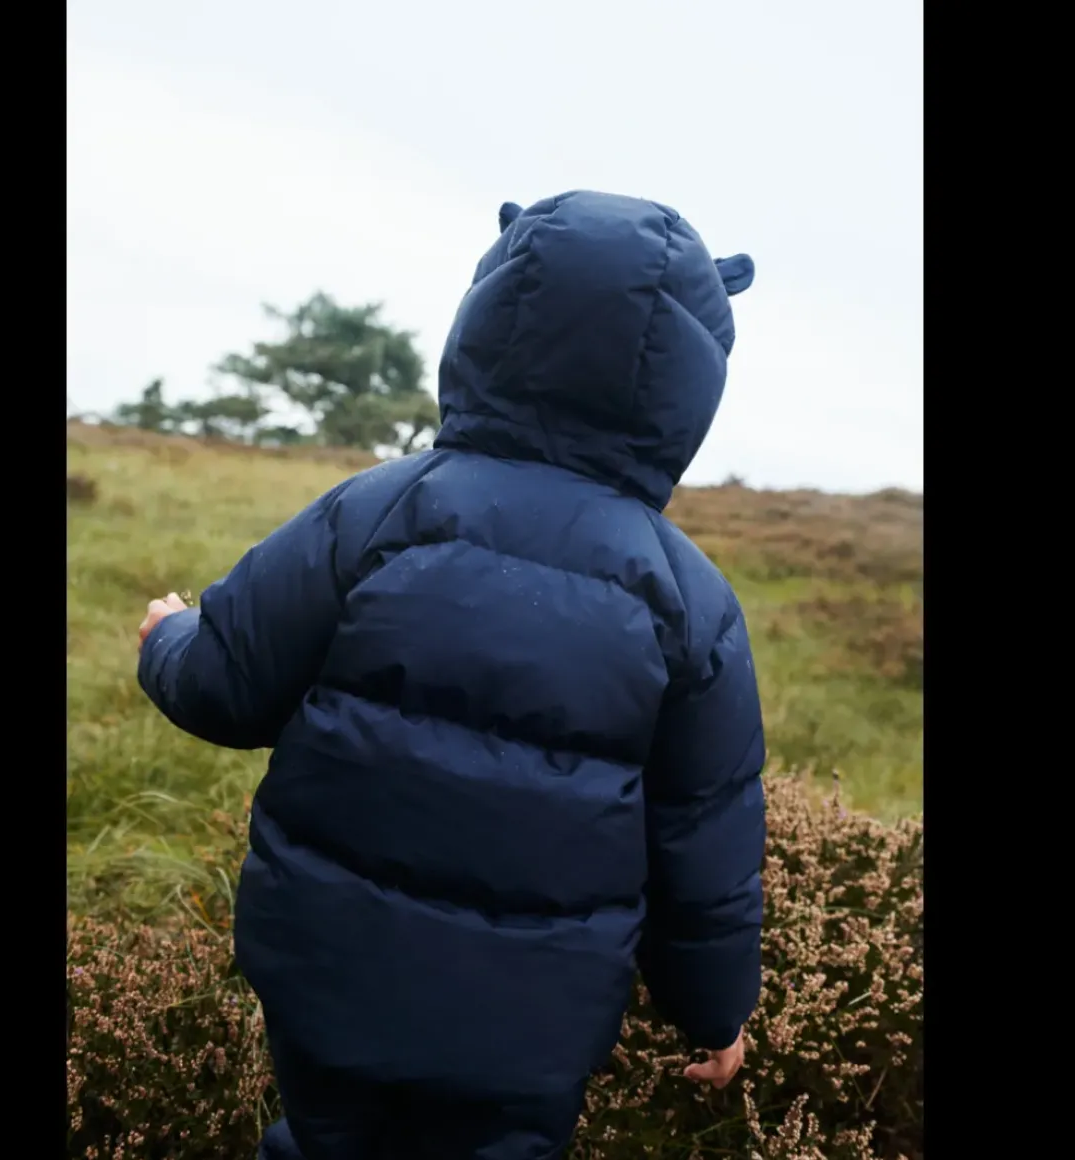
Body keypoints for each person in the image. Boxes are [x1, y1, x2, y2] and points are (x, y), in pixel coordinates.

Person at [137, 190, 766, 1160]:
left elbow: (224, 685)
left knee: (323, 1138)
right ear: (688, 382)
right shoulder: (692, 602)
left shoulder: (377, 509)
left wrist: (166, 636)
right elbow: (704, 843)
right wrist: (713, 1007)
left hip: (325, 966)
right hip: (534, 1021)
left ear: (493, 317)